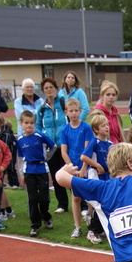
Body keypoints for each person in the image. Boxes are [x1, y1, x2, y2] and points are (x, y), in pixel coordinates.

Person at [17, 110, 55, 237]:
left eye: (32, 123)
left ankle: (46, 216)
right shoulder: (20, 140)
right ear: (21, 123)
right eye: (26, 123)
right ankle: (35, 224)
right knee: (32, 199)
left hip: (42, 170)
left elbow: (53, 146)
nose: (29, 125)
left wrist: (46, 158)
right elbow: (20, 158)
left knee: (44, 198)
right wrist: (22, 174)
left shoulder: (40, 136)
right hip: (29, 171)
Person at [60, 98, 94, 239]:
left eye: (76, 111)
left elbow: (87, 150)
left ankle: (92, 225)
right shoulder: (65, 130)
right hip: (73, 169)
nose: (74, 114)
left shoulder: (86, 128)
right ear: (66, 112)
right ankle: (77, 227)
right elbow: (63, 151)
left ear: (80, 111)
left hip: (85, 167)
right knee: (75, 198)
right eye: (71, 111)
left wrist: (83, 169)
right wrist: (72, 169)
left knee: (90, 198)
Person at [35, 76, 69, 213]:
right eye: (46, 88)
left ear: (56, 89)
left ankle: (82, 204)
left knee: (70, 174)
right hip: (50, 147)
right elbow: (37, 125)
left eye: (51, 87)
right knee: (56, 176)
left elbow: (70, 119)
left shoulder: (62, 103)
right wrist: (43, 137)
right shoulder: (42, 108)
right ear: (43, 91)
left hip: (65, 146)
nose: (49, 90)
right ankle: (62, 204)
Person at [80, 112, 113, 244]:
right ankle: (92, 230)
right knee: (97, 203)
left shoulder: (110, 143)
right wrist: (96, 165)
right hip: (96, 175)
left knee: (106, 202)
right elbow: (84, 157)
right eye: (103, 125)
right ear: (96, 129)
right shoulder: (94, 142)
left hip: (107, 175)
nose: (107, 127)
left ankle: (100, 228)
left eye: (107, 124)